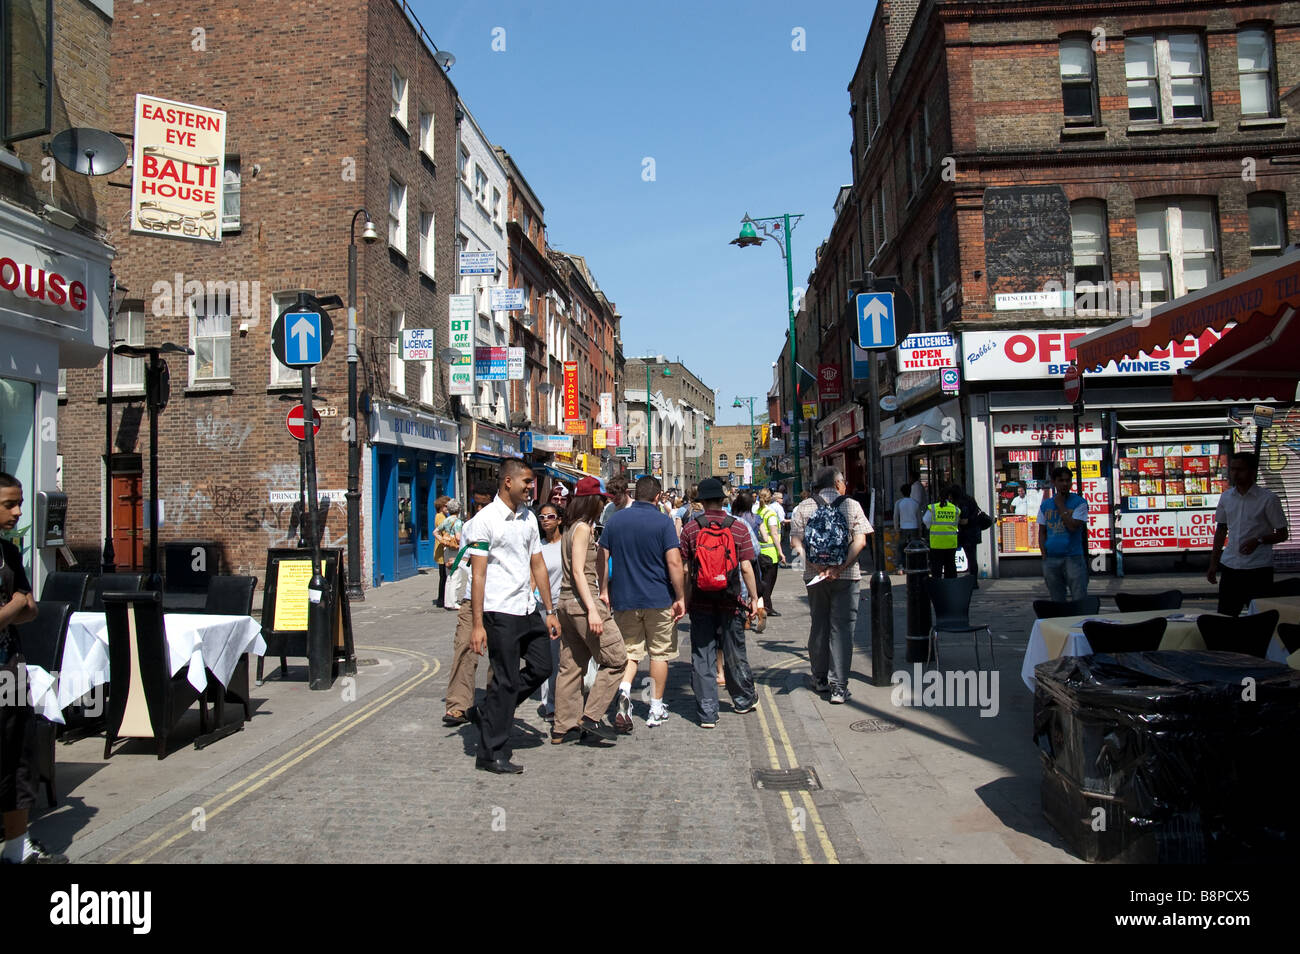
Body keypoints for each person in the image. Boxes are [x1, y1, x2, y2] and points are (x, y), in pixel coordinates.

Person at [465, 460, 561, 774]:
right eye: (527, 482)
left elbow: (538, 565)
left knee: (543, 666)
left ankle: (489, 711)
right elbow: (478, 576)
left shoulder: (529, 519)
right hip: (498, 611)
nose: (531, 487)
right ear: (508, 481)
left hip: (526, 608)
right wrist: (478, 625)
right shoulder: (485, 520)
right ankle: (490, 753)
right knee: (505, 681)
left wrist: (549, 611)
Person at [0, 472, 64, 863]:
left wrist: (13, 611)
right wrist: (13, 607)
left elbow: (32, 608)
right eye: (9, 503)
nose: (18, 511)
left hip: (10, 668)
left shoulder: (8, 553)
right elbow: (20, 605)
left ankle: (17, 847)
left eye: (19, 502)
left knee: (16, 757)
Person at [601, 476, 686, 730]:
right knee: (660, 653)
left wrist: (604, 590)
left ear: (635, 494)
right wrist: (680, 597)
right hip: (658, 598)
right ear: (658, 497)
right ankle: (655, 708)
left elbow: (602, 558)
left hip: (624, 598)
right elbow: (673, 562)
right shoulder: (663, 522)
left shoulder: (615, 520)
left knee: (630, 652)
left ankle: (625, 691)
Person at [678, 477, 759, 727]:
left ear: (701, 501)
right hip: (731, 599)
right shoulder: (738, 527)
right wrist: (754, 598)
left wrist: (684, 599)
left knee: (703, 654)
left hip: (701, 600)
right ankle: (743, 699)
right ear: (723, 500)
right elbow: (746, 567)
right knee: (734, 650)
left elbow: (684, 569)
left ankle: (707, 712)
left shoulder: (691, 529)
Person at [552, 479, 625, 745]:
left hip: (565, 603)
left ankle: (563, 726)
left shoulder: (569, 527)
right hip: (583, 603)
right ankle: (591, 716)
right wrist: (594, 610)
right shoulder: (582, 529)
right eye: (601, 499)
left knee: (571, 665)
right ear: (591, 501)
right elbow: (581, 573)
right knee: (617, 659)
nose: (604, 503)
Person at [790, 467, 871, 705]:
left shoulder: (803, 507)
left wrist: (814, 566)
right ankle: (839, 687)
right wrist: (840, 567)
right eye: (844, 481)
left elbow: (795, 541)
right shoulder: (852, 505)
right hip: (846, 577)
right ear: (837, 484)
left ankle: (819, 678)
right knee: (842, 629)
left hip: (815, 578)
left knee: (819, 625)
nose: (845, 485)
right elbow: (861, 541)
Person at [442, 479, 505, 726]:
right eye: (475, 504)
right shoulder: (469, 526)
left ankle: (493, 703)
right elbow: (467, 557)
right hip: (472, 599)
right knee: (464, 648)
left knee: (499, 655)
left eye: (483, 504)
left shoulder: (504, 524)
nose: (479, 510)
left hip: (499, 599)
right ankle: (458, 705)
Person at [1206, 452, 1289, 616]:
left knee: (1260, 618)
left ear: (1252, 472)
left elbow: (1282, 533)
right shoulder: (1226, 497)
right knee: (1226, 616)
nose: (1235, 474)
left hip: (1258, 569)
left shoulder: (1268, 499)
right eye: (1232, 469)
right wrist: (1213, 563)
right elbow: (1221, 530)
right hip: (1231, 566)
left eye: (1240, 470)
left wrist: (1259, 540)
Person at [1037, 466, 1088, 602]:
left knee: (1079, 597)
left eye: (1068, 480)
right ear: (1054, 482)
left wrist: (1060, 505)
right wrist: (1044, 554)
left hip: (1073, 556)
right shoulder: (1045, 505)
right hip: (1052, 557)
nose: (1065, 484)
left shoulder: (1079, 503)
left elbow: (1072, 527)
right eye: (1061, 480)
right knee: (1057, 598)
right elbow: (1042, 531)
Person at [535, 502, 565, 722]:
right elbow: (531, 579)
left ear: (560, 520)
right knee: (550, 659)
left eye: (550, 516)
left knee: (568, 659)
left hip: (566, 607)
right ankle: (549, 704)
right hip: (545, 609)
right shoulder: (538, 548)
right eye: (542, 517)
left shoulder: (568, 545)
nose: (546, 520)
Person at [922, 484, 962, 580]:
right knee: (951, 567)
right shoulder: (955, 509)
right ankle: (951, 588)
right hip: (951, 543)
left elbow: (925, 520)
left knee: (936, 568)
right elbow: (956, 524)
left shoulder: (933, 508)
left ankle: (938, 590)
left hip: (936, 543)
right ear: (950, 497)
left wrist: (931, 527)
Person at [755, 489, 784, 616]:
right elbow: (774, 534)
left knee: (762, 580)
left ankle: (764, 605)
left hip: (759, 551)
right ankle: (766, 607)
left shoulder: (758, 511)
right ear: (770, 498)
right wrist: (781, 552)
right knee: (769, 582)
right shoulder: (770, 514)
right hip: (770, 553)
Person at [951, 484, 982, 586]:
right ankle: (974, 582)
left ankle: (955, 580)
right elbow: (976, 513)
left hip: (963, 533)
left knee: (951, 558)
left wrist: (964, 521)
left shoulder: (956, 503)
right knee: (972, 558)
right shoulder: (970, 499)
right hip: (972, 532)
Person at [434, 499, 462, 607]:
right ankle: (453, 601)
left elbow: (435, 532)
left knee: (449, 576)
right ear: (458, 509)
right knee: (456, 576)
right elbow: (458, 537)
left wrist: (443, 540)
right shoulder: (458, 522)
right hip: (455, 550)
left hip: (446, 550)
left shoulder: (446, 520)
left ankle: (447, 601)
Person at [893, 483, 921, 567]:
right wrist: (920, 529)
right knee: (914, 548)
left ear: (902, 492)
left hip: (903, 528)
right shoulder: (915, 503)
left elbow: (895, 516)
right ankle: (914, 565)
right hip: (914, 527)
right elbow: (919, 518)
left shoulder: (899, 503)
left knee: (901, 548)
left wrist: (896, 527)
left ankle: (901, 566)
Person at [432, 495, 451, 607]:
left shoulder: (443, 516)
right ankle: (441, 599)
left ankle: (442, 598)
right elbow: (441, 531)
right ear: (441, 506)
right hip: (442, 550)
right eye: (446, 506)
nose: (447, 508)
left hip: (442, 550)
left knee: (444, 575)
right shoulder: (440, 517)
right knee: (444, 576)